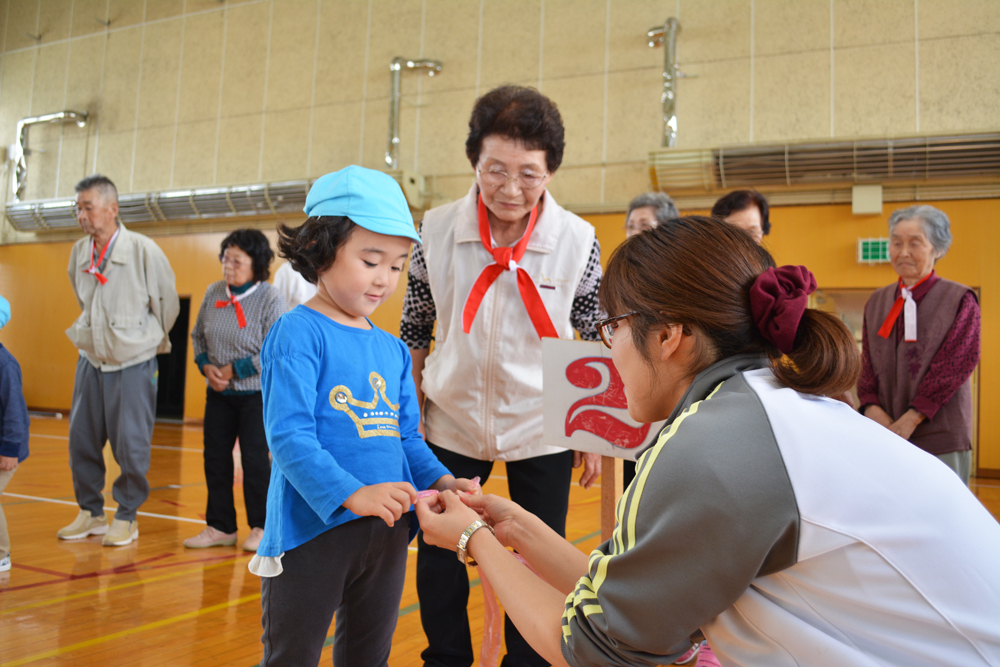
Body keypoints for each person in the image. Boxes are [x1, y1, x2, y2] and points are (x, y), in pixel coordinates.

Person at [416, 216, 1000, 667]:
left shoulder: (718, 447)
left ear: (668, 335)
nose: (606, 350)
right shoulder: (765, 408)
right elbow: (632, 601)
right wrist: (511, 528)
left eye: (611, 329)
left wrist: (471, 540)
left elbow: (594, 650)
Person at [400, 84, 605, 667]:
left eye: (529, 175)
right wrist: (409, 406)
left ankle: (530, 659)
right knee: (439, 552)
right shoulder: (434, 229)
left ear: (551, 171)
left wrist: (591, 432)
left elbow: (589, 336)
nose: (511, 189)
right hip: (449, 416)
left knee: (537, 554)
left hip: (541, 422)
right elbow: (416, 324)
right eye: (496, 170)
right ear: (474, 161)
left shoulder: (578, 240)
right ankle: (445, 658)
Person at [249, 166, 477, 667]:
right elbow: (288, 439)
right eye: (371, 260)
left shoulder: (393, 350)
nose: (385, 279)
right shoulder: (296, 333)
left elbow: (405, 439)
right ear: (320, 250)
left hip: (387, 534)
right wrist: (352, 494)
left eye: (396, 266)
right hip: (314, 531)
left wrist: (443, 480)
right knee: (293, 654)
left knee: (367, 657)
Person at [59, 175, 179, 547]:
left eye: (88, 207)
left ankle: (127, 516)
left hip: (132, 362)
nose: (81, 215)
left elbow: (167, 305)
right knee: (81, 439)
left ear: (112, 209)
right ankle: (90, 512)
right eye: (77, 208)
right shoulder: (80, 252)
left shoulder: (143, 250)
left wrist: (137, 339)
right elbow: (84, 300)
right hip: (91, 359)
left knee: (130, 444)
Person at [858, 205, 980, 484]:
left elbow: (956, 365)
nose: (903, 252)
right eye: (896, 243)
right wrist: (872, 409)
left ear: (937, 248)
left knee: (942, 517)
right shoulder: (877, 301)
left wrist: (911, 419)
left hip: (940, 434)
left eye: (915, 243)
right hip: (885, 431)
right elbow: (867, 363)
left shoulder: (960, 299)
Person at [184, 229, 285, 552]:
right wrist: (206, 366)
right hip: (218, 393)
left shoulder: (269, 297)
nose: (228, 265)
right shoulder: (215, 291)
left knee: (256, 461)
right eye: (225, 258)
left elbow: (274, 347)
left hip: (256, 394)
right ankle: (220, 526)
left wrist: (234, 369)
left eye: (236, 260)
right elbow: (197, 335)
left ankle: (261, 527)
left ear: (256, 263)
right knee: (215, 458)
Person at [0, 295, 29, 574]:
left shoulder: (5, 365)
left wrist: (9, 449)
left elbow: (15, 414)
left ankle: (1, 555)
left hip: (5, 450)